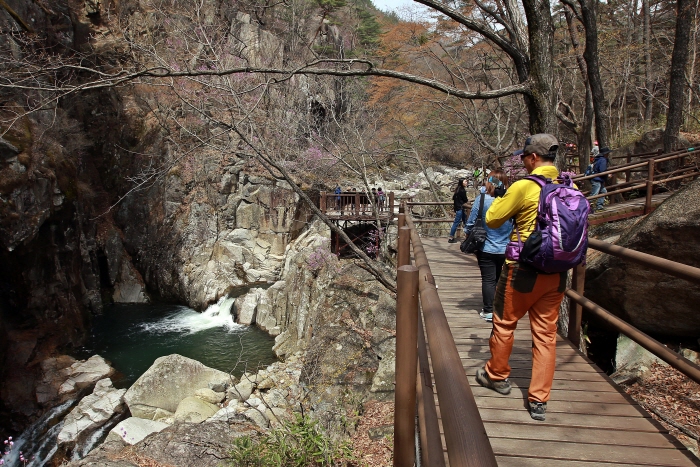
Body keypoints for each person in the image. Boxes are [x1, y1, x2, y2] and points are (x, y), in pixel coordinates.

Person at [474, 134, 569, 422]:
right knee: (546, 335)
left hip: (523, 270)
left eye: (524, 157)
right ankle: (539, 399)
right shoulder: (568, 185)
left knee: (504, 324)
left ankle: (497, 376)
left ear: (533, 158)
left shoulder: (525, 186)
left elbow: (492, 219)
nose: (523, 162)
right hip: (557, 273)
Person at [464, 169, 513, 323]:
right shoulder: (511, 199)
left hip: (485, 245)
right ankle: (500, 309)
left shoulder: (482, 199)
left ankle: (488, 311)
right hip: (505, 246)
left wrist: (467, 232)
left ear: (489, 182)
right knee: (500, 279)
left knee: (488, 279)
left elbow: (471, 222)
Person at [448, 178, 469, 243]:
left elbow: (454, 198)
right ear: (462, 182)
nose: (466, 182)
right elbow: (465, 199)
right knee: (457, 223)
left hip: (458, 208)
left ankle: (468, 235)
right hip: (460, 208)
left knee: (465, 221)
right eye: (465, 181)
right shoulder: (462, 190)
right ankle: (451, 237)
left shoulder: (457, 189)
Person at [590, 147, 611, 212]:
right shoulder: (603, 160)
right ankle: (585, 206)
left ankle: (599, 206)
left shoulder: (598, 159)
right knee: (594, 194)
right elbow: (602, 170)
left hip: (598, 179)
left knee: (603, 191)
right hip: (597, 179)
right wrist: (608, 175)